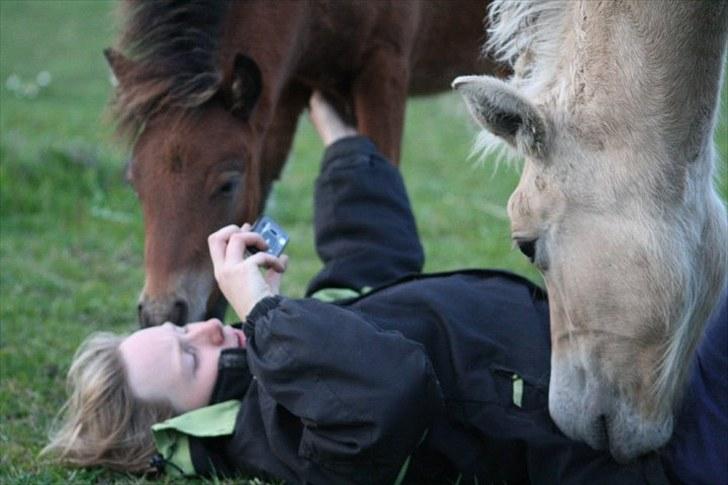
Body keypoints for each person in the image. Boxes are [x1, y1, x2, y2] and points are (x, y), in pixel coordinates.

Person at [43, 93, 727, 484]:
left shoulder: (272, 368)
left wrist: (336, 132)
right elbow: (389, 389)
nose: (206, 329)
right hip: (652, 455)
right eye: (189, 358)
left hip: (642, 376)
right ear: (176, 427)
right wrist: (268, 311)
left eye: (180, 329)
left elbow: (369, 268)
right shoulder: (279, 441)